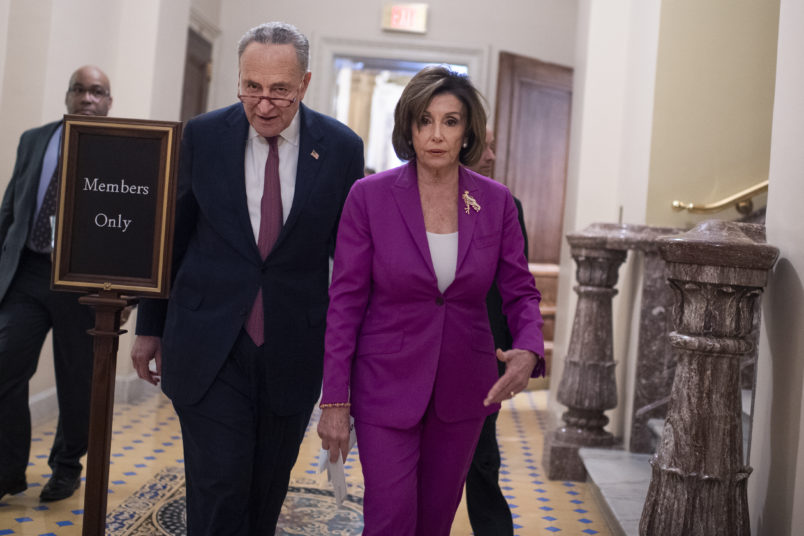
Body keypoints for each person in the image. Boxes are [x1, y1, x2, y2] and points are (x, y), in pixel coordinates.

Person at [130, 22, 364, 536]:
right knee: (220, 489)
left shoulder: (342, 149)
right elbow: (173, 236)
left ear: (303, 83)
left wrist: (344, 373)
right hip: (209, 342)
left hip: (292, 347)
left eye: (279, 90)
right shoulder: (203, 136)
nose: (263, 104)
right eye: (251, 88)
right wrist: (150, 326)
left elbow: (348, 264)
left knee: (264, 492)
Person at [317, 66, 545, 536]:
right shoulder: (370, 197)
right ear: (409, 127)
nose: (436, 134)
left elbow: (519, 289)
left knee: (434, 522)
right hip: (385, 387)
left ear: (467, 133)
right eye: (425, 120)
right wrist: (334, 399)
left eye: (450, 121)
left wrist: (529, 347)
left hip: (464, 387)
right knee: (390, 519)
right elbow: (345, 302)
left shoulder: (495, 202)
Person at [0, 66, 112, 503]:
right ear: (68, 96)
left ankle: (66, 468)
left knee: (78, 380)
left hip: (82, 279)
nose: (87, 98)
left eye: (97, 91)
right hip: (28, 271)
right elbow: (11, 208)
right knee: (5, 364)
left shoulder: (122, 148)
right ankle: (7, 471)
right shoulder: (34, 139)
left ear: (109, 101)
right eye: (80, 90)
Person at [465, 126, 527, 536]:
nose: (490, 156)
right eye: (484, 146)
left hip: (483, 358)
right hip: (414, 357)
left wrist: (514, 350)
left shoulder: (506, 204)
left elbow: (517, 288)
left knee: (482, 463)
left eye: (493, 147)